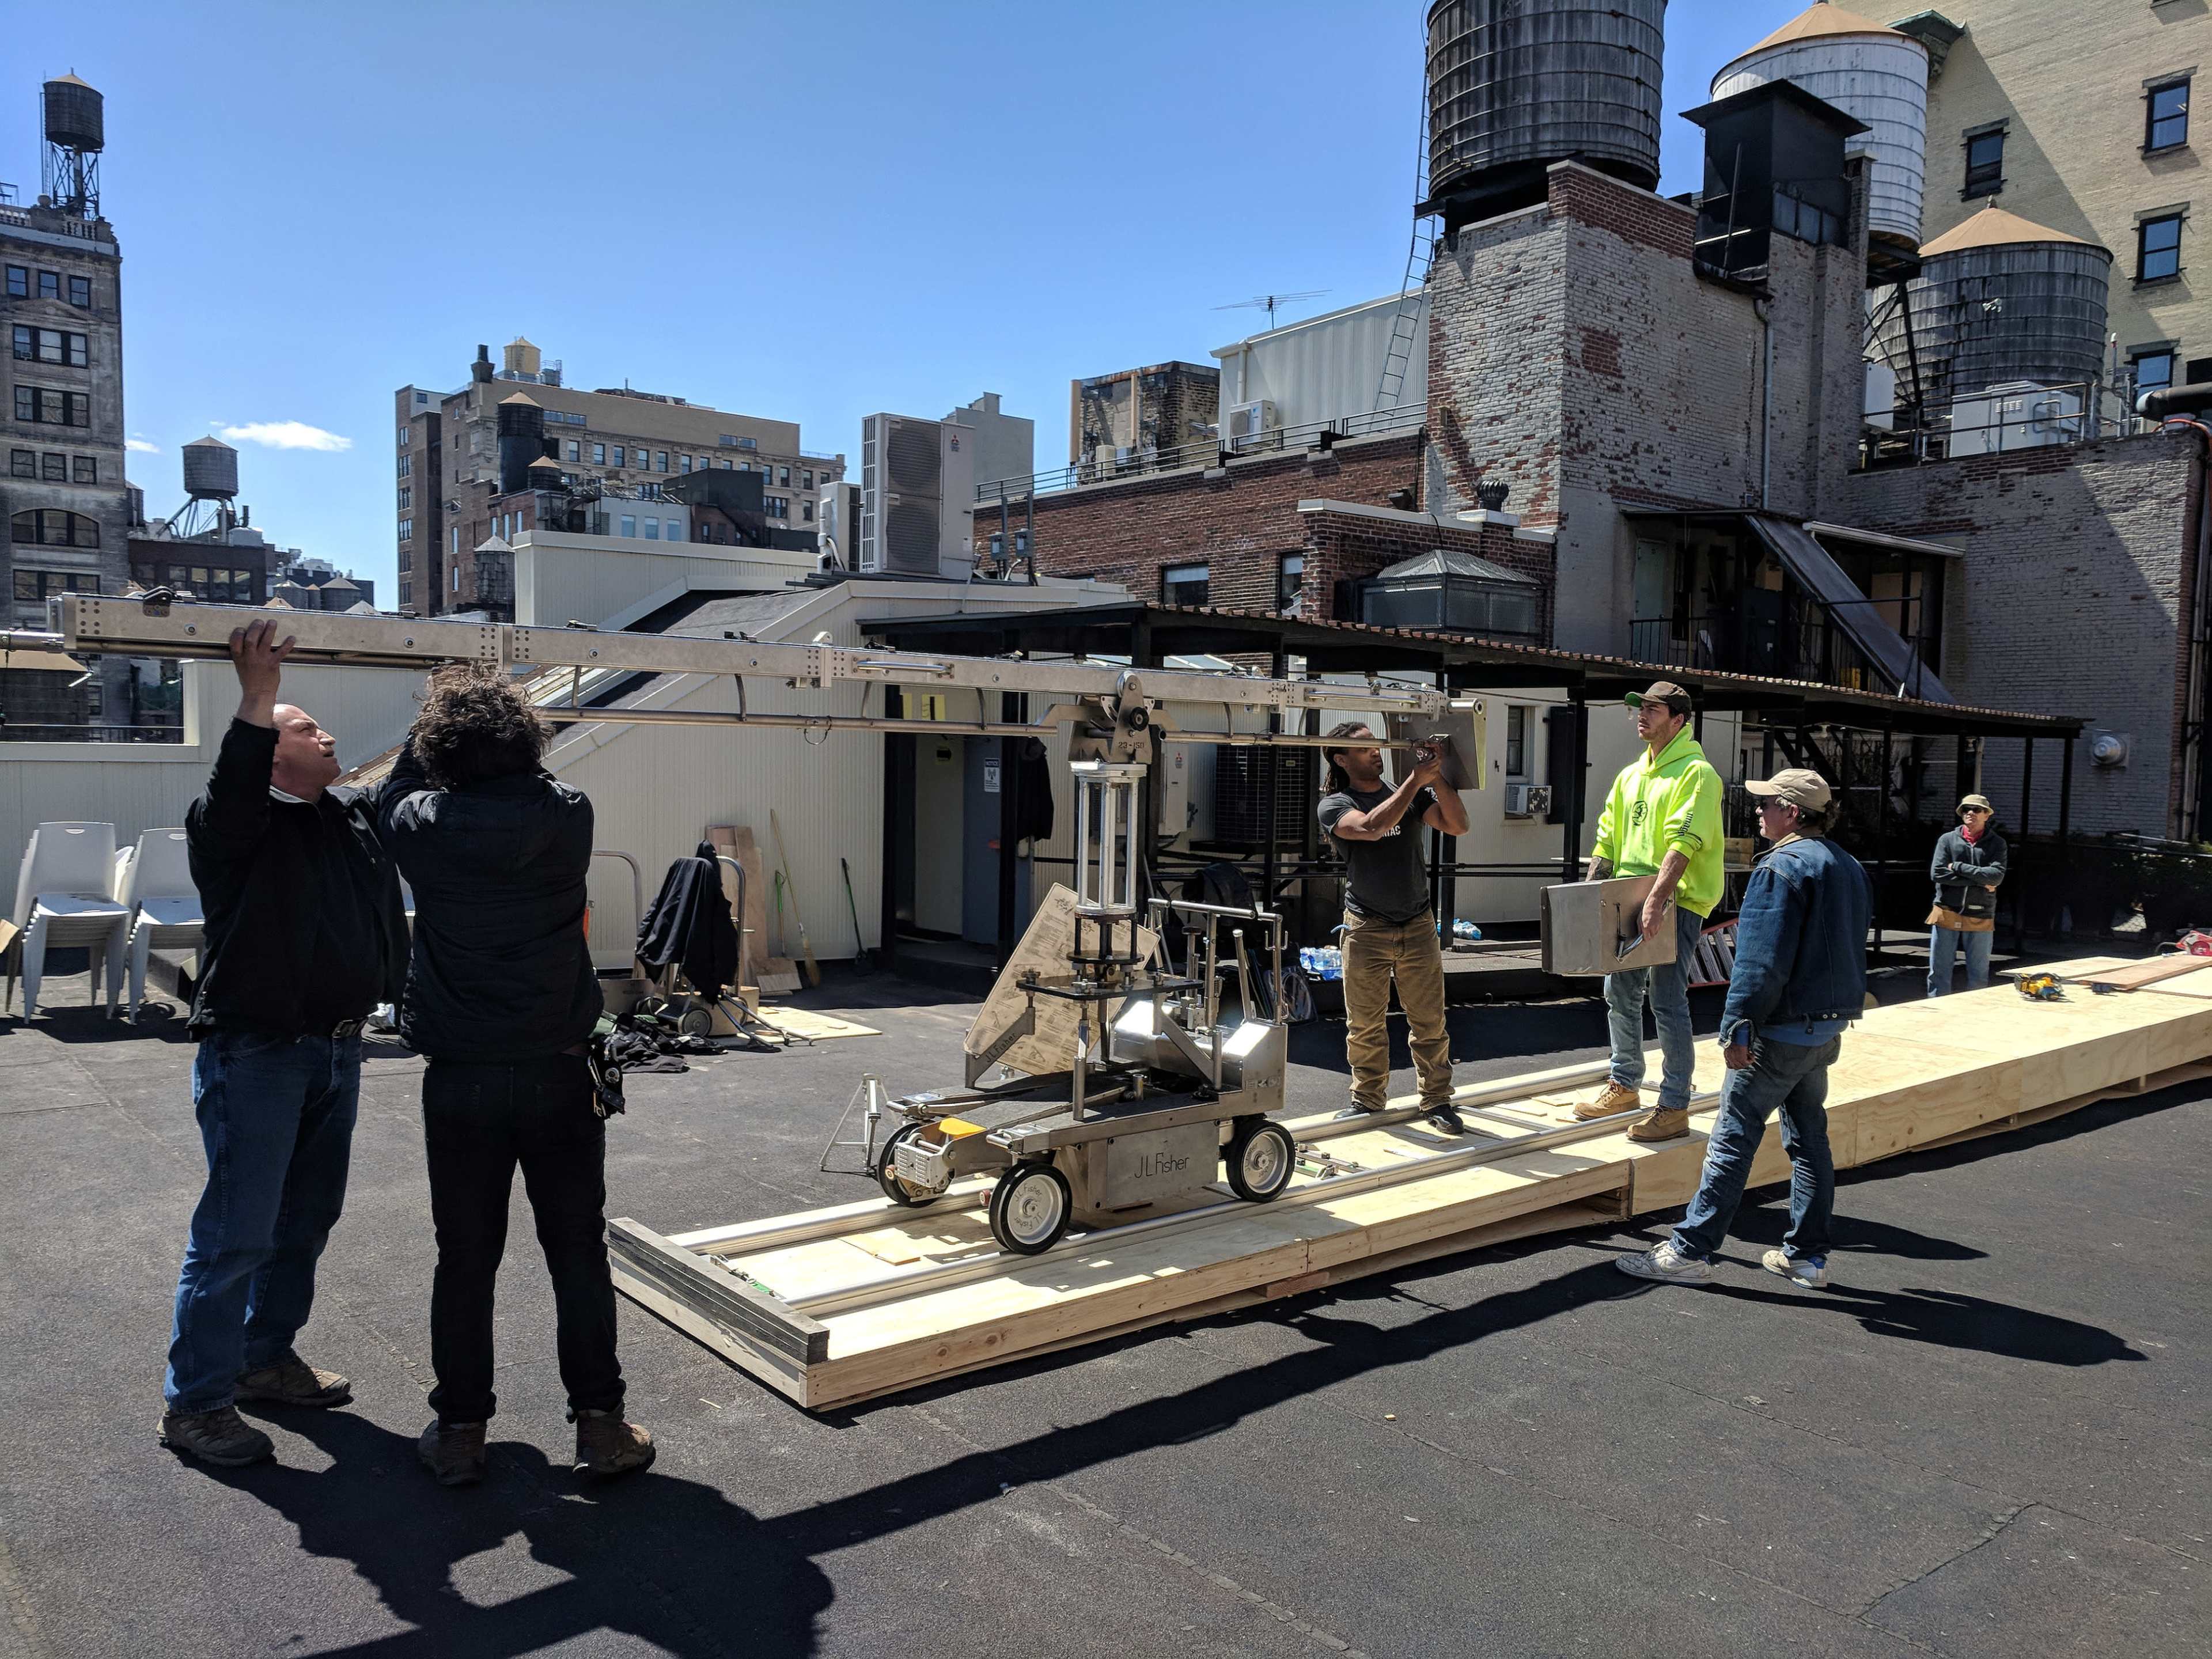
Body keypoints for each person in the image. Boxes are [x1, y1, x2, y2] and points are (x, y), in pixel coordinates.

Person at [377, 665, 652, 1487]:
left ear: (444, 750)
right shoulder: (567, 816)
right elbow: (537, 775)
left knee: (464, 1257)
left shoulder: (421, 824)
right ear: (526, 745)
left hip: (461, 1080)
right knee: (576, 1251)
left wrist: (430, 725)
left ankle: (461, 1432)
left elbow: (395, 788)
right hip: (557, 1074)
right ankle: (600, 1427)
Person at [160, 619, 407, 1468]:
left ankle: (266, 1359)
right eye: (307, 729)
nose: (328, 735)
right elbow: (234, 778)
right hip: (258, 1053)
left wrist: (460, 696)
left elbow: (406, 772)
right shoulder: (233, 827)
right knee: (237, 1233)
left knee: (305, 1221)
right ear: (271, 753)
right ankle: (195, 1404)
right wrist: (260, 694)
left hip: (338, 1051)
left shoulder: (345, 821)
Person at [1619, 768, 1870, 1290]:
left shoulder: (1780, 868)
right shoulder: (1846, 865)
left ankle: (1689, 1251)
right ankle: (1807, 1258)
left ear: (1792, 812)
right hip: (1824, 1031)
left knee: (1733, 1139)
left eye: (1766, 805)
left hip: (1777, 1032)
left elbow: (1759, 962)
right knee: (1808, 1140)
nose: (1757, 813)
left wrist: (1738, 1028)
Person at [1575, 681, 1725, 1142]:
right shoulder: (1631, 775)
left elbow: (1685, 843)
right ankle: (1624, 1084)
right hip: (1629, 893)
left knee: (1666, 1000)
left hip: (1675, 900)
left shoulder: (1697, 774)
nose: (1641, 715)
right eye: (1639, 708)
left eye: (1653, 710)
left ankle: (1675, 1104)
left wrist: (1657, 900)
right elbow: (1606, 840)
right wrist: (1587, 896)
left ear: (1679, 720)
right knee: (1619, 993)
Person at [1317, 721, 1471, 1134]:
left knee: (1429, 1021)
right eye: (1366, 748)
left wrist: (1435, 780)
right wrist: (1415, 783)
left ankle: (1437, 1101)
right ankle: (1367, 1100)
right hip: (1366, 926)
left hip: (1418, 922)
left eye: (1378, 746)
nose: (1376, 752)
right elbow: (1370, 828)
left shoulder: (1411, 794)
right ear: (1341, 758)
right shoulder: (1334, 804)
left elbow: (1458, 825)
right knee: (1364, 1023)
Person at [1927, 793, 2006, 997]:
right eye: (1966, 809)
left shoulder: (1997, 844)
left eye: (1977, 809)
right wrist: (1981, 881)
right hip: (1946, 909)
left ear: (1987, 815)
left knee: (1979, 974)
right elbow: (1937, 874)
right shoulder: (1947, 840)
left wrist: (1958, 866)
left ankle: (1975, 1014)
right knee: (1939, 972)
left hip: (1981, 912)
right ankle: (1936, 1011)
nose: (1970, 813)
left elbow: (1996, 877)